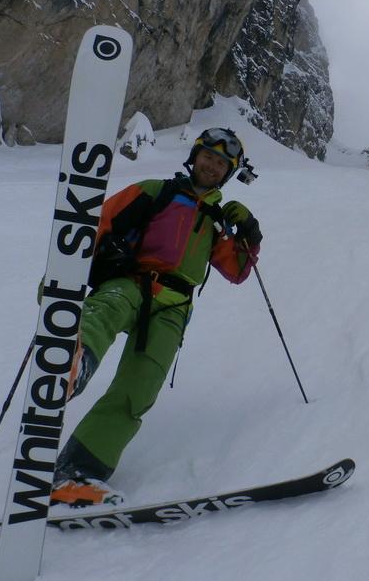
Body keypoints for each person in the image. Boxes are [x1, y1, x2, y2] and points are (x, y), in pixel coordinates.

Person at [51, 127, 262, 507]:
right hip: (132, 281)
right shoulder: (155, 191)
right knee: (106, 309)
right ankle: (69, 361)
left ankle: (76, 473)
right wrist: (59, 283)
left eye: (221, 163)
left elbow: (237, 270)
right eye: (208, 157)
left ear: (228, 173)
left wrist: (249, 232)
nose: (212, 166)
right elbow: (100, 223)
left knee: (138, 390)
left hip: (174, 308)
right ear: (195, 157)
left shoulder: (217, 222)